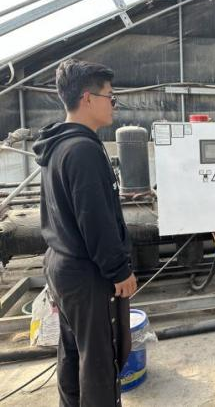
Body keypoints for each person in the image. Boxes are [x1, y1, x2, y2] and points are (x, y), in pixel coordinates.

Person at [33, 59, 137, 406]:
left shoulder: (57, 145)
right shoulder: (82, 150)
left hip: (61, 266)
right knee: (99, 363)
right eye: (110, 97)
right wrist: (119, 270)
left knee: (74, 352)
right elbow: (95, 220)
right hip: (86, 272)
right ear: (88, 98)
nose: (114, 104)